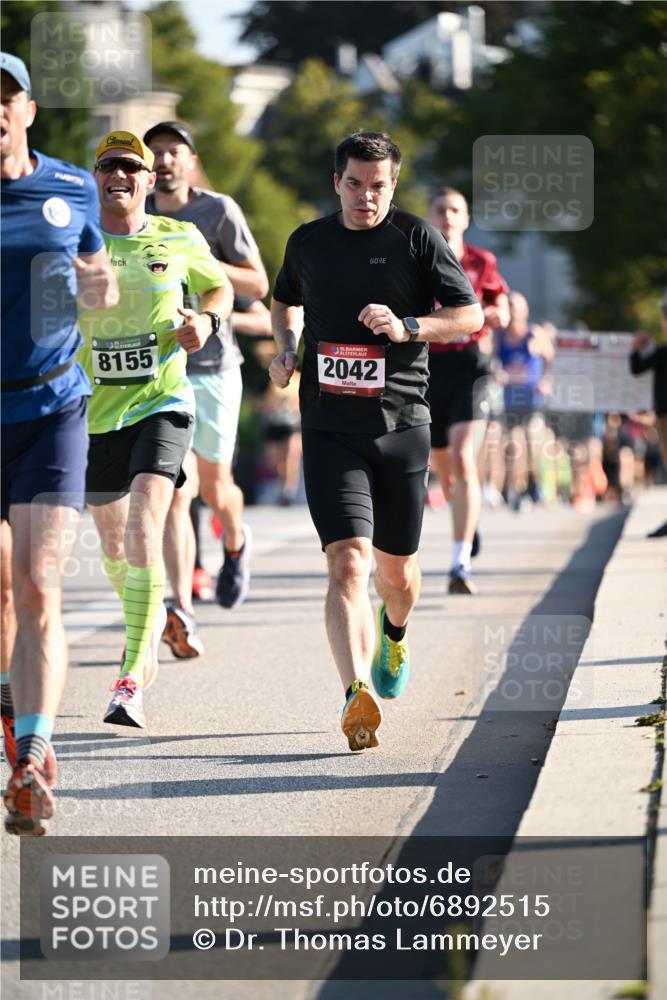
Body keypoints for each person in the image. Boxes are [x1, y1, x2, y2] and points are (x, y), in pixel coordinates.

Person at [269, 131, 482, 751]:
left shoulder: (416, 238)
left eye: (379, 186)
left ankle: (394, 632)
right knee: (347, 562)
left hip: (402, 426)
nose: (367, 197)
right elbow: (285, 301)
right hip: (331, 427)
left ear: (394, 184)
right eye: (355, 184)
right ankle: (355, 690)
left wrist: (408, 324)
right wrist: (286, 348)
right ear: (337, 182)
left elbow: (469, 315)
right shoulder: (308, 241)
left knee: (399, 575)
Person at [78, 130, 232, 726]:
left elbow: (217, 284)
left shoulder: (179, 235)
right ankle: (148, 616)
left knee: (148, 518)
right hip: (92, 414)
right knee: (116, 547)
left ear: (148, 181)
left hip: (162, 401)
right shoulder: (75, 240)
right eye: (108, 165)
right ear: (97, 179)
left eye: (130, 167)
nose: (119, 174)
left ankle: (131, 675)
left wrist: (209, 321)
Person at [1, 54, 117, 834]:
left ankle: (36, 754)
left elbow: (98, 276)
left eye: (4, 98)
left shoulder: (71, 187)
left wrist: (97, 288)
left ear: (28, 110)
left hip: (50, 409)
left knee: (39, 584)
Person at [143, 122, 269, 658]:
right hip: (158, 369)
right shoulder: (136, 212)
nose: (166, 161)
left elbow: (259, 283)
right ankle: (182, 609)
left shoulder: (217, 211)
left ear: (191, 160)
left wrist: (199, 262)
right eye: (158, 154)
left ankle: (235, 543)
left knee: (217, 490)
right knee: (177, 490)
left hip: (215, 365)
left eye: (175, 152)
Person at [427, 187, 510, 594]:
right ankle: (468, 523)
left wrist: (496, 313)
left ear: (466, 218)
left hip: (469, 365)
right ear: (429, 215)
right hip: (426, 368)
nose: (447, 217)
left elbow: (503, 307)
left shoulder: (482, 261)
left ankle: (460, 562)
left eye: (454, 210)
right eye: (440, 210)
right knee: (443, 469)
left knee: (462, 457)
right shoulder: (415, 258)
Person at [494, 291, 553, 509]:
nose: (514, 310)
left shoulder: (534, 333)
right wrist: (496, 373)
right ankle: (515, 489)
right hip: (509, 399)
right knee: (511, 445)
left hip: (532, 398)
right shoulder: (499, 337)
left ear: (525, 310)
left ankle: (536, 485)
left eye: (517, 306)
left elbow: (549, 359)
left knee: (532, 440)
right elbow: (491, 360)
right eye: (510, 306)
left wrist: (545, 381)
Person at [630, 297, 667, 537]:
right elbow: (638, 369)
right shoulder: (662, 352)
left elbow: (637, 368)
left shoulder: (662, 353)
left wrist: (636, 348)